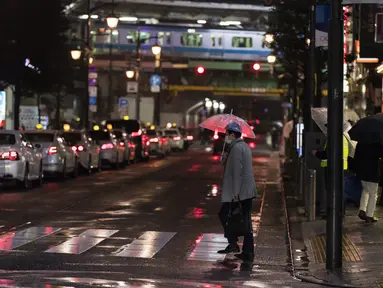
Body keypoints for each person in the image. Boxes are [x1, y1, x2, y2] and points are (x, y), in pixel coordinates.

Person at [217, 122, 257, 263]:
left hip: (239, 192)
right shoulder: (243, 146)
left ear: (233, 134)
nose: (226, 137)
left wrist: (235, 194)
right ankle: (247, 252)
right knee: (245, 222)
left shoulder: (235, 149)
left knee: (224, 215)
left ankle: (233, 244)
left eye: (227, 134)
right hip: (246, 190)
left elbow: (236, 172)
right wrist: (224, 158)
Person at [354, 142, 383, 223]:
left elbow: (356, 156)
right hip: (372, 172)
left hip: (362, 171)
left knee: (365, 190)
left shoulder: (361, 143)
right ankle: (370, 215)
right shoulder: (376, 144)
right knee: (373, 194)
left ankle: (362, 210)